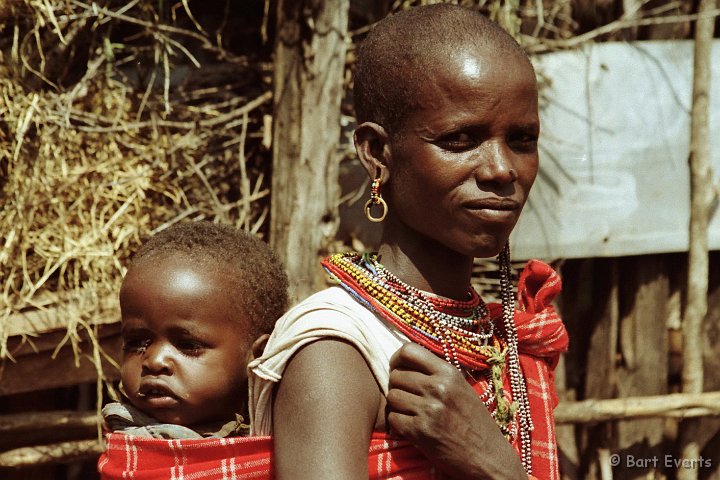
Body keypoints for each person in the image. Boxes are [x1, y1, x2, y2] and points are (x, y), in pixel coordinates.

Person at [248, 4, 569, 480]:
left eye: (522, 139)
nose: (502, 169)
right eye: (460, 139)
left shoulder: (497, 342)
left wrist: (491, 463)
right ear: (378, 153)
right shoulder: (338, 349)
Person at [97, 221, 288, 478]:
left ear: (258, 356)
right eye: (136, 343)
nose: (154, 361)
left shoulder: (290, 442)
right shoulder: (128, 440)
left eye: (187, 345)